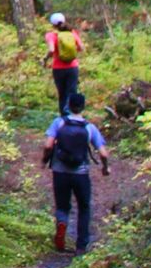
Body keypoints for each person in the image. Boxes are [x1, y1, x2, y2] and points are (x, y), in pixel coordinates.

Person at [42, 92, 111, 251]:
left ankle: (61, 223)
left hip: (60, 171)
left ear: (68, 105)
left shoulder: (58, 123)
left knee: (62, 205)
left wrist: (45, 160)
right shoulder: (89, 127)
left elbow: (48, 145)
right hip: (81, 173)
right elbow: (103, 153)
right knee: (84, 206)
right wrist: (105, 168)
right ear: (83, 107)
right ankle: (81, 245)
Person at [45, 12, 83, 114]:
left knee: (62, 94)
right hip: (73, 67)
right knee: (72, 91)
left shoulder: (51, 35)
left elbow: (52, 50)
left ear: (52, 24)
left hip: (58, 68)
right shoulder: (72, 33)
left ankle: (64, 117)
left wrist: (45, 58)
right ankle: (75, 115)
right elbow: (81, 47)